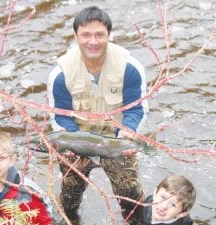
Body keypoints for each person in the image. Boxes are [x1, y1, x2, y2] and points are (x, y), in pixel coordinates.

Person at [46, 5, 148, 224]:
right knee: (68, 199)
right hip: (77, 141)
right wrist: (71, 142)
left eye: (99, 35)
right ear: (76, 36)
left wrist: (127, 132)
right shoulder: (60, 73)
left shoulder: (130, 67)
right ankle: (70, 219)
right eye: (86, 35)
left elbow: (136, 109)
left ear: (109, 35)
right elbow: (59, 117)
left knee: (131, 197)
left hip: (116, 139)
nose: (93, 41)